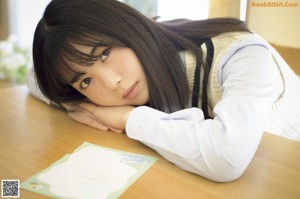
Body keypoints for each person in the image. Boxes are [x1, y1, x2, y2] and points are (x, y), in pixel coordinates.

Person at [27, 0, 300, 182]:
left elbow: (226, 158)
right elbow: (34, 79)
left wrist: (127, 118)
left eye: (104, 53)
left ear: (127, 29)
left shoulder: (241, 54)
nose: (111, 83)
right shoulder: (147, 57)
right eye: (85, 81)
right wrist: (78, 105)